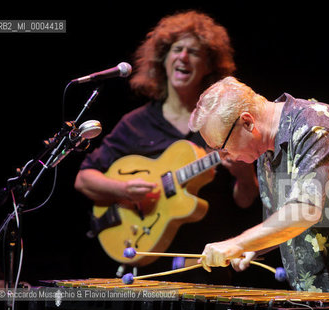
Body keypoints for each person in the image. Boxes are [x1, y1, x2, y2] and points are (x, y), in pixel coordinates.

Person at [74, 11, 259, 283]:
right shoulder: (135, 123)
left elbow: (245, 201)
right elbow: (83, 179)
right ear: (164, 59)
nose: (183, 57)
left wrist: (245, 177)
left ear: (209, 65)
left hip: (206, 268)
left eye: (194, 52)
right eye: (177, 50)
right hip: (147, 267)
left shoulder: (224, 121)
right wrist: (125, 190)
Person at [188, 76, 329, 295]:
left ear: (247, 122)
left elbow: (305, 210)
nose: (223, 155)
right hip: (319, 290)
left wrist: (235, 243)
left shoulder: (316, 124)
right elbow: (282, 222)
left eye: (222, 146)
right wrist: (253, 247)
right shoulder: (265, 152)